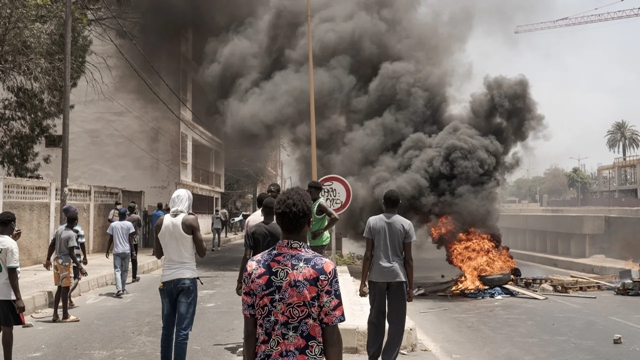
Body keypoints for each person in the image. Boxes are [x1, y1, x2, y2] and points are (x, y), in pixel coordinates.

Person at [242, 187, 344, 359]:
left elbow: (249, 332)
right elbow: (331, 335)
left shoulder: (254, 267)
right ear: (310, 223)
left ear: (278, 222)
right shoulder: (324, 268)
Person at [359, 189, 415, 360]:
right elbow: (408, 259)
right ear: (399, 204)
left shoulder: (372, 222)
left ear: (383, 203)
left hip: (376, 277)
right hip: (398, 277)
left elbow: (368, 254)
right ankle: (389, 357)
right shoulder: (406, 224)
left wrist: (362, 282)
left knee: (376, 318)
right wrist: (411, 287)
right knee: (397, 321)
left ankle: (373, 356)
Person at [155, 189, 206, 360]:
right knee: (182, 331)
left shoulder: (161, 221)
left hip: (167, 279)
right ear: (188, 202)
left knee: (166, 328)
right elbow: (202, 252)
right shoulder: (191, 220)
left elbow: (157, 253)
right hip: (186, 278)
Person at [44, 206, 88, 323]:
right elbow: (71, 253)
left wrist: (48, 258)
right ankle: (65, 315)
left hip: (56, 261)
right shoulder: (71, 234)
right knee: (65, 288)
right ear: (76, 221)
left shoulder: (59, 230)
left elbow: (52, 244)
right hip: (65, 262)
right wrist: (80, 267)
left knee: (59, 287)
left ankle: (54, 315)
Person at [235, 198, 280, 296]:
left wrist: (240, 280)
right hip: (277, 274)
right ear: (275, 212)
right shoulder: (282, 231)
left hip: (257, 274)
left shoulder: (252, 230)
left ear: (262, 211)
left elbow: (247, 256)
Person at [0, 212, 25, 360]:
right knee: (7, 327)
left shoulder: (8, 242)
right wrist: (19, 298)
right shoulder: (11, 244)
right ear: (12, 224)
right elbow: (12, 272)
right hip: (5, 291)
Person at [106, 208, 136, 297]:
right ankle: (122, 288)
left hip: (117, 251)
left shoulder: (113, 225)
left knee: (117, 270)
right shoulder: (129, 224)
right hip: (126, 251)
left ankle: (119, 289)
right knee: (125, 270)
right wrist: (133, 251)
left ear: (118, 216)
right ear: (126, 216)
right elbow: (131, 239)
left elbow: (110, 239)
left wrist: (107, 249)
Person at [306, 181, 340, 255]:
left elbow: (335, 217)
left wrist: (321, 231)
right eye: (308, 191)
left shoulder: (321, 204)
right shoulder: (312, 202)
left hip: (319, 242)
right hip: (313, 240)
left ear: (318, 192)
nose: (308, 193)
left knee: (316, 263)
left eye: (311, 192)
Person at [67, 216, 87, 308]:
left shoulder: (61, 227)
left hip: (63, 257)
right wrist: (85, 257)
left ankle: (68, 297)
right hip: (75, 256)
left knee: (65, 279)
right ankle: (68, 294)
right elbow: (82, 243)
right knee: (76, 277)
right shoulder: (79, 228)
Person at [127, 204, 143, 283]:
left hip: (126, 240)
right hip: (134, 240)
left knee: (126, 259)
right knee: (134, 258)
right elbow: (140, 226)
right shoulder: (137, 217)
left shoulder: (125, 217)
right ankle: (134, 276)